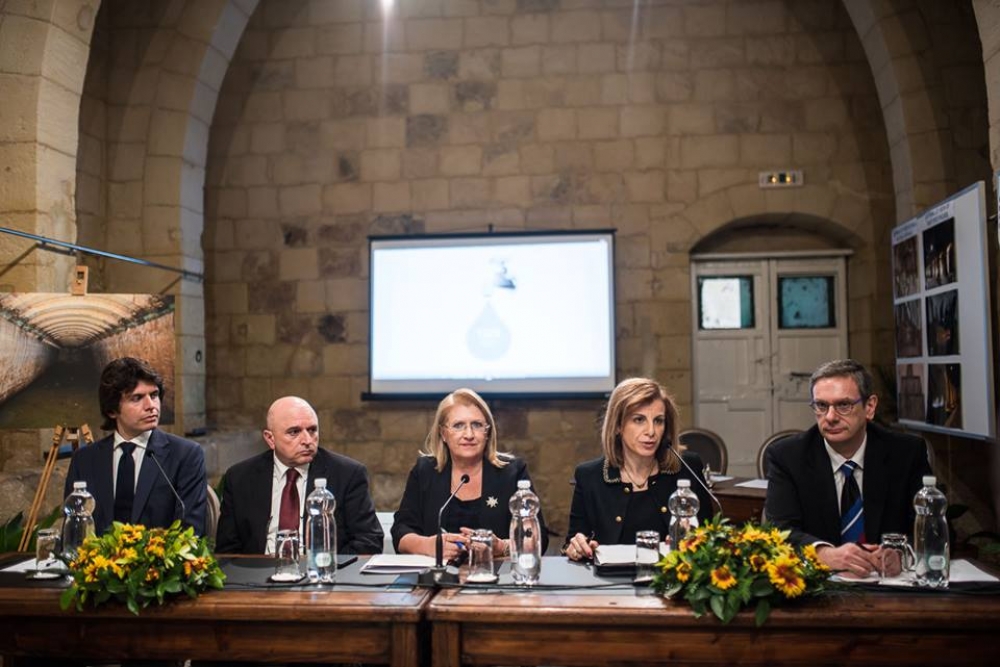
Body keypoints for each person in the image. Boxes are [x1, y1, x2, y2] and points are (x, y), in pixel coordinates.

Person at [764, 359, 932, 577]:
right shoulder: (787, 457)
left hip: (890, 583)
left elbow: (933, 528)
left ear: (869, 407)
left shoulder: (906, 453)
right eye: (821, 406)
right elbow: (779, 531)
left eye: (843, 405)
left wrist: (902, 555)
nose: (830, 417)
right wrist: (824, 554)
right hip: (821, 583)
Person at [564, 377, 712, 561]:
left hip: (671, 575)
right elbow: (572, 543)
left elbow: (710, 538)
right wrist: (577, 548)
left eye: (658, 421)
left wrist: (694, 541)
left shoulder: (688, 468)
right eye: (639, 420)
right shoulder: (589, 476)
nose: (651, 431)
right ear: (618, 426)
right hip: (610, 578)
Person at [392, 388, 548, 560]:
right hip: (438, 573)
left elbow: (538, 538)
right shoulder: (425, 471)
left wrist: (501, 547)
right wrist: (429, 545)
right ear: (443, 433)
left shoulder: (512, 473)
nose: (469, 434)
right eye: (458, 425)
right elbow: (401, 532)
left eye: (477, 425)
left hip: (495, 573)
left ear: (487, 432)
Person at [215, 396, 383, 554]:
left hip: (321, 570)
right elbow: (227, 549)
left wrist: (325, 565)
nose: (307, 440)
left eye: (312, 430)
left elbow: (369, 541)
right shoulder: (240, 478)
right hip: (257, 571)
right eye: (294, 432)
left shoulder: (348, 474)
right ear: (270, 439)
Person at [65, 357, 207, 536]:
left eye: (154, 395)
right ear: (112, 410)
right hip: (98, 554)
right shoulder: (84, 460)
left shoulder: (185, 455)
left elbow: (191, 532)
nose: (151, 406)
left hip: (160, 554)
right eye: (137, 398)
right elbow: (73, 532)